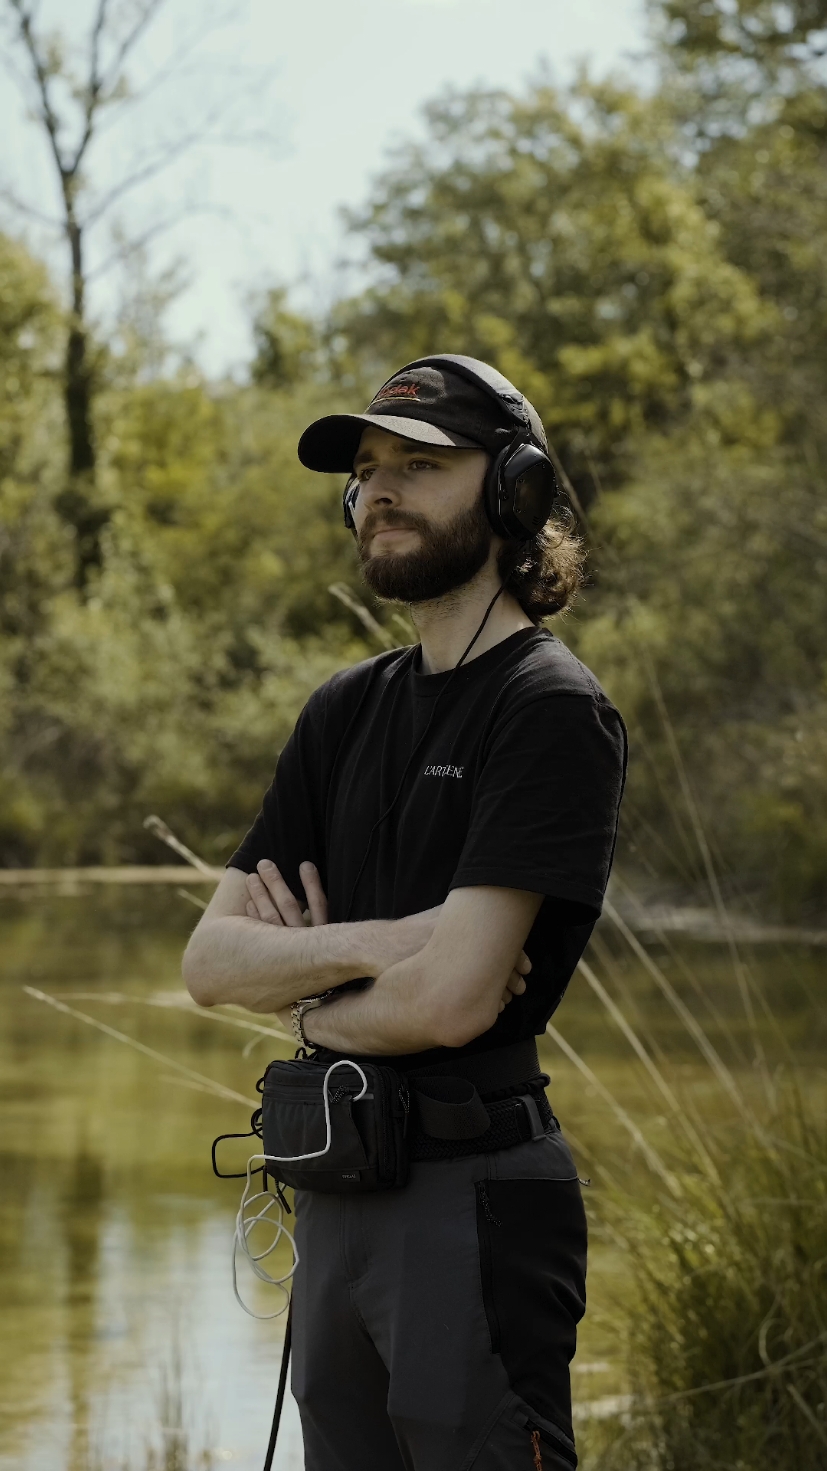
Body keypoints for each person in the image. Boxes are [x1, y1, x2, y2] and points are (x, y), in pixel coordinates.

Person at [182, 356, 627, 1471]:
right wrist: (380, 945)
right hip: (335, 1188)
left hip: (472, 1203)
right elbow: (207, 961)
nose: (378, 490)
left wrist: (303, 999)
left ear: (515, 491)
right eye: (367, 470)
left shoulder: (549, 709)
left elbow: (453, 1001)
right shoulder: (342, 709)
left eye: (419, 466)